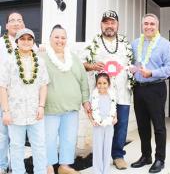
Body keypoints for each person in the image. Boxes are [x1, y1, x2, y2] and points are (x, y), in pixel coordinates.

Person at [83, 10, 134, 170]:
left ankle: (118, 156)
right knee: (102, 125)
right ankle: (102, 155)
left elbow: (131, 64)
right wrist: (91, 66)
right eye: (106, 22)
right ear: (101, 24)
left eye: (112, 22)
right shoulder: (94, 43)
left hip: (122, 93)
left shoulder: (125, 43)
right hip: (102, 94)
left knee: (122, 125)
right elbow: (83, 64)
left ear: (117, 25)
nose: (109, 26)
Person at [130, 13, 170, 173]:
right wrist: (131, 69)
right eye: (146, 24)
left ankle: (159, 159)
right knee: (142, 125)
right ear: (142, 25)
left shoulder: (165, 45)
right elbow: (131, 63)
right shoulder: (135, 44)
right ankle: (146, 156)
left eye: (152, 24)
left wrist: (152, 73)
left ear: (157, 26)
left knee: (158, 126)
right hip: (139, 89)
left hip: (156, 88)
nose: (149, 26)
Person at [41, 24, 90, 174]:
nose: (60, 40)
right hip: (50, 108)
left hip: (71, 107)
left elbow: (83, 80)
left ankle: (65, 166)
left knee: (68, 138)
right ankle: (47, 165)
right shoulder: (42, 57)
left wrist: (86, 100)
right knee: (48, 138)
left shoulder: (74, 58)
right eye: (56, 37)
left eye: (63, 37)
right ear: (50, 39)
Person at [0, 28, 49, 174]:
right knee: (16, 146)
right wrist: (6, 111)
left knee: (39, 145)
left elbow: (43, 85)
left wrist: (41, 106)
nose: (26, 42)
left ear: (33, 42)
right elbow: (2, 87)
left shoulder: (40, 61)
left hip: (36, 112)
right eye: (23, 39)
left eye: (29, 39)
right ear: (17, 42)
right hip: (15, 113)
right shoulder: (9, 61)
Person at [0, 12, 25, 174]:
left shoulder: (29, 43)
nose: (16, 23)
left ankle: (16, 167)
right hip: (3, 94)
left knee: (17, 136)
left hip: (22, 97)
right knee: (2, 134)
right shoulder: (1, 43)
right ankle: (2, 165)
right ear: (7, 26)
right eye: (12, 21)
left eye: (19, 20)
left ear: (23, 25)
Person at [89, 72, 117, 174]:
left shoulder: (112, 95)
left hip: (109, 124)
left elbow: (114, 108)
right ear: (96, 84)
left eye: (104, 83)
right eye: (99, 83)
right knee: (98, 147)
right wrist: (92, 120)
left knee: (107, 146)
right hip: (98, 124)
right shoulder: (94, 95)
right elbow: (89, 110)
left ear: (108, 84)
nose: (102, 85)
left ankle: (106, 170)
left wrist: (115, 117)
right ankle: (97, 170)